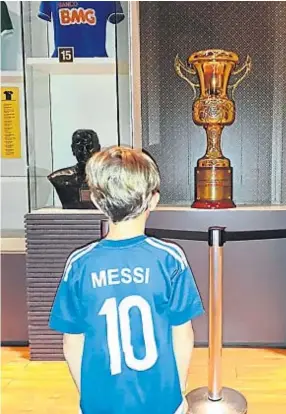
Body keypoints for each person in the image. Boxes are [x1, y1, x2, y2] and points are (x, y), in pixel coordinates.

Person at [49, 146, 204, 414]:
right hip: (161, 400)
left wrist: (87, 397)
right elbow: (182, 333)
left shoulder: (80, 264)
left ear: (97, 201)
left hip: (101, 403)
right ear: (153, 200)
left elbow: (71, 343)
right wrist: (178, 392)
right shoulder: (170, 259)